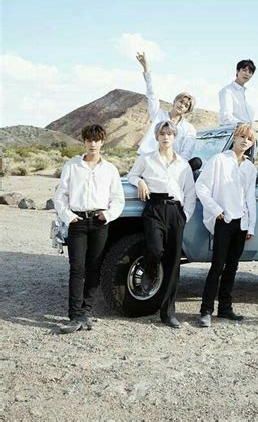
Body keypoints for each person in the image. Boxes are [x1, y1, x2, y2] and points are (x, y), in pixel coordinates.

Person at [54, 124, 125, 333]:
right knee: (77, 269)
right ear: (84, 142)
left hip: (99, 222)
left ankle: (85, 312)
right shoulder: (72, 166)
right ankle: (74, 316)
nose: (92, 144)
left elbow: (118, 199)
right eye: (89, 140)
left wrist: (108, 215)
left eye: (96, 140)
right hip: (77, 222)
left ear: (102, 142)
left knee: (94, 268)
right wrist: (68, 217)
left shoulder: (110, 169)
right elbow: (60, 195)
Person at [127, 120, 196, 328]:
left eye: (169, 134)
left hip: (175, 211)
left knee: (174, 263)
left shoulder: (183, 164)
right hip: (154, 208)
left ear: (174, 137)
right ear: (157, 136)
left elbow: (190, 193)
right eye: (162, 133)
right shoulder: (146, 159)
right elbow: (131, 174)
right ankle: (150, 270)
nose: (166, 137)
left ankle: (168, 313)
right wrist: (139, 181)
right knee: (155, 250)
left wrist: (184, 216)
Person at [196, 123, 257, 327]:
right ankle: (205, 311)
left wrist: (251, 225)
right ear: (235, 137)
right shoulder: (219, 160)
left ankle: (225, 308)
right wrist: (216, 210)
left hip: (241, 223)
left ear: (251, 143)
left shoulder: (249, 167)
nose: (244, 141)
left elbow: (250, 197)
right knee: (217, 266)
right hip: (224, 220)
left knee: (232, 266)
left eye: (248, 139)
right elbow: (201, 186)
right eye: (241, 136)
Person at [136, 52, 196, 160]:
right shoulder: (158, 115)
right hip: (148, 160)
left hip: (170, 166)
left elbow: (187, 153)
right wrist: (146, 67)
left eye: (186, 105)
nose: (182, 105)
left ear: (187, 110)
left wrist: (177, 168)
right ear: (175, 101)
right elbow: (152, 94)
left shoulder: (188, 129)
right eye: (181, 101)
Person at [219, 59, 256, 126]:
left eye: (250, 72)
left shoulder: (247, 94)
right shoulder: (227, 91)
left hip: (247, 133)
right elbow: (226, 117)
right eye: (244, 70)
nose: (247, 74)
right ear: (237, 71)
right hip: (235, 133)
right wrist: (243, 125)